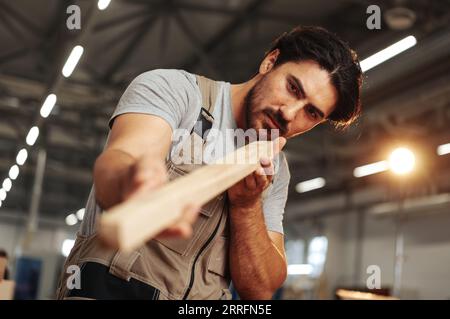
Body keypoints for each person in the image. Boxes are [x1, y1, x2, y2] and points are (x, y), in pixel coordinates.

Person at [56, 25, 362, 300]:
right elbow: (123, 157)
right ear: (270, 62)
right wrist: (133, 182)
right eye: (293, 88)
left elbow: (260, 289)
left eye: (311, 113)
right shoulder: (178, 92)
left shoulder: (275, 170)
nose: (289, 113)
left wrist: (246, 207)